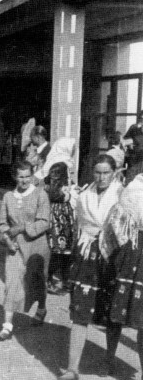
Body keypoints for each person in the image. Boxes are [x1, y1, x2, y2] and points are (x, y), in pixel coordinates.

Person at [58, 154, 123, 380]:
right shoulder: (85, 195)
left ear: (114, 172)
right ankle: (72, 368)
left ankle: (109, 360)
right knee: (81, 310)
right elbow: (79, 223)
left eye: (106, 173)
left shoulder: (122, 194)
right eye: (98, 172)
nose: (101, 177)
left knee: (111, 312)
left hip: (113, 256)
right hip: (87, 254)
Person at [0, 161, 51, 341]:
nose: (24, 180)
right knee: (12, 282)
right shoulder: (8, 197)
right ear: (15, 177)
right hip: (15, 247)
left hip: (37, 247)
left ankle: (41, 308)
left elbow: (44, 222)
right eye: (21, 177)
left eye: (28, 176)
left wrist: (20, 228)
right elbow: (2, 223)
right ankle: (7, 325)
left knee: (37, 282)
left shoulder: (41, 194)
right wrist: (7, 240)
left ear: (32, 176)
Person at [102, 174, 143, 379]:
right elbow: (116, 221)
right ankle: (109, 359)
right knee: (117, 308)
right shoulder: (135, 187)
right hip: (130, 253)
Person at [45, 162, 77, 295]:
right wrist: (70, 193)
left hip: (63, 222)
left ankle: (63, 279)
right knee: (58, 252)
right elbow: (62, 197)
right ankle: (51, 279)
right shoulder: (53, 188)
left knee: (63, 252)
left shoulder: (52, 185)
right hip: (58, 222)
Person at [124, 110, 143, 185]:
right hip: (134, 161)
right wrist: (130, 144)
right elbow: (125, 139)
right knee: (130, 183)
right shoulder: (134, 128)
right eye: (141, 118)